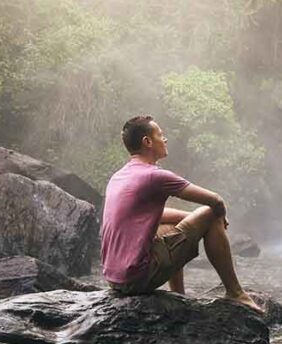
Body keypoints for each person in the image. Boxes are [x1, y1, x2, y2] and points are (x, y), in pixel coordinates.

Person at [100, 115, 263, 313]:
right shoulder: (155, 176)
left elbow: (153, 217)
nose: (165, 139)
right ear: (147, 142)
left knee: (170, 229)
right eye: (161, 134)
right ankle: (236, 293)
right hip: (138, 279)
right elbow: (215, 201)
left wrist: (192, 219)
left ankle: (178, 296)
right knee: (209, 213)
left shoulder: (120, 176)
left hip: (114, 279)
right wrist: (215, 218)